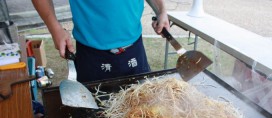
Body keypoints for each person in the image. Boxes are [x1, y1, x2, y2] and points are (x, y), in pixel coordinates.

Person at [31, 0, 170, 82]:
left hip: (134, 49)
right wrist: (55, 29)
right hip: (91, 54)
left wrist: (161, 10)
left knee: (143, 115)